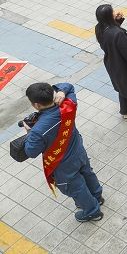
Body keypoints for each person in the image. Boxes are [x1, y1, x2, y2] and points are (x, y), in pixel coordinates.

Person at [22, 82, 104, 222]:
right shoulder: (68, 104)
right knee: (87, 172)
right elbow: (68, 86)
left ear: (36, 105)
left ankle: (92, 211)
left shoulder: (37, 131)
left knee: (76, 187)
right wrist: (62, 92)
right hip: (78, 150)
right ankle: (97, 196)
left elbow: (31, 152)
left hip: (63, 164)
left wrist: (29, 132)